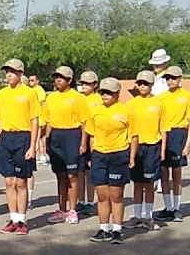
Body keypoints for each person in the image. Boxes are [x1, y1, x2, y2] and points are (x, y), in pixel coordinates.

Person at [0, 59, 40, 235]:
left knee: (21, 181)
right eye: (7, 72)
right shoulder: (2, 94)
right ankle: (13, 219)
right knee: (8, 181)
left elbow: (35, 120)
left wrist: (33, 144)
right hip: (6, 138)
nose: (9, 75)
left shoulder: (29, 93)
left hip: (23, 137)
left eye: (12, 71)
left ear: (20, 73)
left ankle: (21, 220)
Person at [84, 78, 132, 244]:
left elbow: (134, 136)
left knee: (116, 195)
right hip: (100, 155)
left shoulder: (126, 110)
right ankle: (104, 228)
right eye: (102, 92)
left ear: (117, 94)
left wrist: (131, 158)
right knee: (102, 195)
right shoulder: (95, 111)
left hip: (119, 155)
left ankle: (117, 229)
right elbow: (91, 135)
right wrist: (91, 156)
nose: (105, 95)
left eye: (109, 92)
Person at [42, 65, 90, 225]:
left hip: (72, 135)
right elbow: (47, 121)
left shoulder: (77, 97)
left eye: (61, 77)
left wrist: (83, 143)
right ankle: (61, 209)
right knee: (60, 175)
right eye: (56, 77)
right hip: (56, 136)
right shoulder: (51, 98)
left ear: (69, 80)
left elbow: (84, 122)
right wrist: (47, 141)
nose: (58, 80)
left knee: (72, 175)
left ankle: (72, 210)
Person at [155, 66, 190, 221]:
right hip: (164, 134)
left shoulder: (187, 96)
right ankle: (167, 207)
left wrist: (188, 144)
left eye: (173, 78)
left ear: (180, 79)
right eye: (167, 78)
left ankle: (177, 208)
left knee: (177, 173)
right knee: (164, 173)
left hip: (179, 133)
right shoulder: (160, 98)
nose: (170, 81)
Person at [126, 70, 166, 230]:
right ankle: (137, 216)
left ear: (151, 85)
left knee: (149, 184)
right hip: (136, 147)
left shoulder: (159, 104)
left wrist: (162, 151)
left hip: (152, 147)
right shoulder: (130, 104)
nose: (142, 86)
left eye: (146, 84)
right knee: (137, 183)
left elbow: (164, 129)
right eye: (140, 83)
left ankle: (149, 217)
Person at [76, 71, 101, 215]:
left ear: (95, 85)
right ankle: (81, 201)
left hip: (93, 138)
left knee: (89, 172)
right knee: (79, 171)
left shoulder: (98, 99)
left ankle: (90, 202)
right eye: (82, 83)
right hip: (78, 136)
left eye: (88, 83)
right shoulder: (79, 98)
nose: (84, 86)